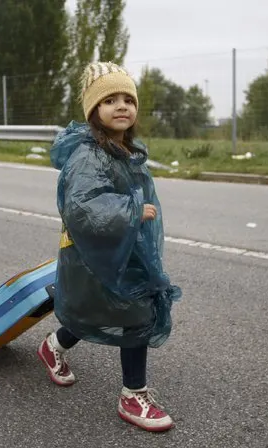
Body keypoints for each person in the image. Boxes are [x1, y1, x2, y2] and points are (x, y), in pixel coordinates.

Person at [37, 62, 182, 432]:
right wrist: (132, 210)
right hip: (93, 253)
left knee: (109, 309)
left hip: (122, 248)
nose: (122, 107)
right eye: (110, 100)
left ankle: (53, 345)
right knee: (126, 310)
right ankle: (134, 394)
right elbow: (82, 207)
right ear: (93, 111)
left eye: (128, 100)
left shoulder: (125, 150)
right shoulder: (89, 155)